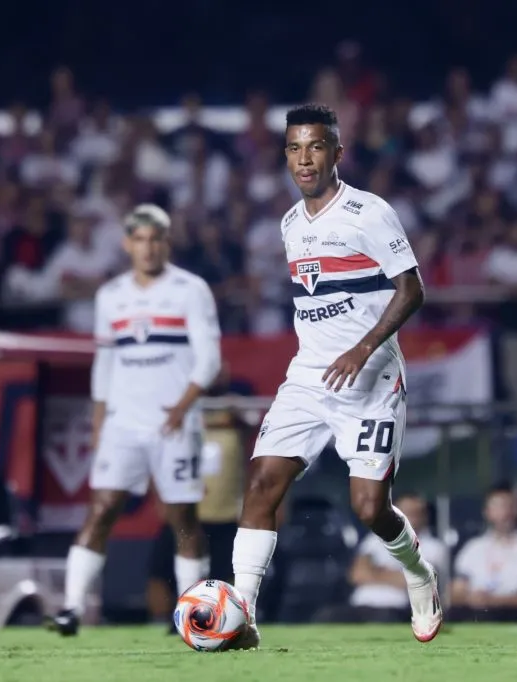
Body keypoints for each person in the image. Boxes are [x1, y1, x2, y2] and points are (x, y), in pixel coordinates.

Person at [229, 104, 440, 649]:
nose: (305, 159)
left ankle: (418, 573)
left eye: (316, 147)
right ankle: (243, 617)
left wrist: (363, 347)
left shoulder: (368, 213)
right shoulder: (290, 223)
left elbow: (412, 289)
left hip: (370, 381)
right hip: (308, 379)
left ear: (337, 153)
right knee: (259, 486)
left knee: (369, 508)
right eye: (295, 148)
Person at [48, 204, 222, 636]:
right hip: (124, 423)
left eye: (156, 239)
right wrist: (99, 422)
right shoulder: (111, 296)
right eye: (140, 240)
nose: (148, 248)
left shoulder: (190, 289)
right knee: (102, 508)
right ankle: (71, 607)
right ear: (128, 244)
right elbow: (104, 366)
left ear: (167, 242)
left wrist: (183, 406)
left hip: (175, 423)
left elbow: (210, 358)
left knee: (181, 516)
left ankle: (193, 612)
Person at [314, 494, 449, 624]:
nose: (409, 518)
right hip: (359, 606)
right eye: (405, 512)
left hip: (396, 609)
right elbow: (357, 574)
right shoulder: (375, 540)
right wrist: (394, 574)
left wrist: (375, 572)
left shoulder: (434, 547)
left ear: (424, 517)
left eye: (415, 513)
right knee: (327, 616)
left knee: (384, 620)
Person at [449, 483, 517, 622]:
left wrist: (496, 601)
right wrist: (473, 599)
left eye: (510, 506)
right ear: (487, 511)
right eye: (498, 506)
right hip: (476, 618)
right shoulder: (473, 548)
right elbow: (455, 594)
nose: (505, 513)